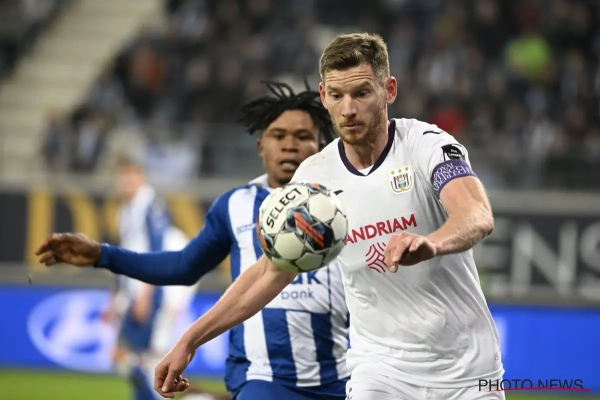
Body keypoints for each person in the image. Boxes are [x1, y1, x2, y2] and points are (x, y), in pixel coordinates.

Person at [143, 32, 501, 399]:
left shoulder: (427, 145)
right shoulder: (314, 178)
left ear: (389, 90)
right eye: (337, 95)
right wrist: (189, 341)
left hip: (468, 367)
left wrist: (431, 243)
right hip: (380, 369)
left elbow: (476, 214)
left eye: (361, 93)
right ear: (323, 96)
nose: (348, 109)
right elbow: (272, 270)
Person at [36, 81, 349, 400]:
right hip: (261, 378)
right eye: (278, 136)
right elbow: (183, 266)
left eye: (302, 136)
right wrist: (103, 255)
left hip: (341, 379)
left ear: (321, 146)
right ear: (260, 146)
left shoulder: (344, 205)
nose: (290, 145)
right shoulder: (234, 205)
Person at [102, 155, 202, 400]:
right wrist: (115, 298)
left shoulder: (151, 206)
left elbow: (157, 252)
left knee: (145, 362)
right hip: (133, 293)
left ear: (142, 176)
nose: (126, 181)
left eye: (131, 175)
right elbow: (123, 256)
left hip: (150, 294)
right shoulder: (126, 210)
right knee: (127, 359)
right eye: (122, 176)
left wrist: (146, 295)